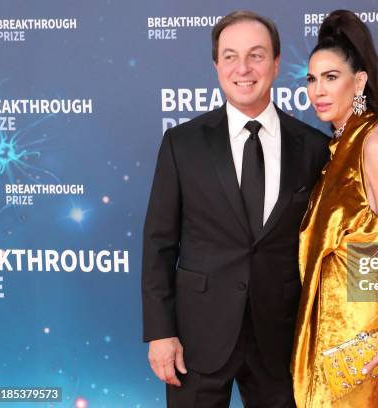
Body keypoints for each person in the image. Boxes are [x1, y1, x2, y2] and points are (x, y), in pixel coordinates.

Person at [142, 10, 330, 407]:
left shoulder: (314, 148)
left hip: (281, 339)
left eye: (256, 55)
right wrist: (160, 333)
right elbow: (159, 243)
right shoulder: (182, 143)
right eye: (230, 56)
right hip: (197, 339)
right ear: (216, 66)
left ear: (277, 63)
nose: (243, 68)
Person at [291, 10, 378, 407]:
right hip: (321, 328)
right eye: (311, 79)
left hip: (358, 337)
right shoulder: (335, 152)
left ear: (358, 81)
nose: (317, 90)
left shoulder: (375, 143)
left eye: (330, 77)